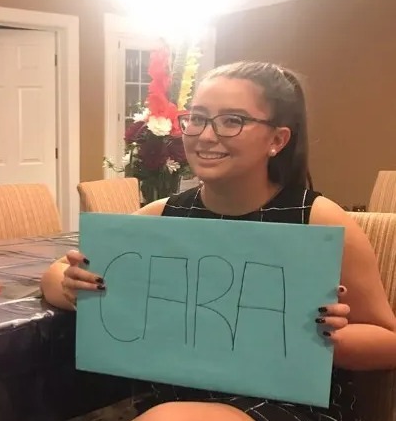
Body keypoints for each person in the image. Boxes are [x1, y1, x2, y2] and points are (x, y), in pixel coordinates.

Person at [41, 61, 396, 421]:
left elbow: (388, 340)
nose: (205, 135)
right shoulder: (166, 215)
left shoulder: (317, 220)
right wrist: (73, 286)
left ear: (277, 140)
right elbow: (56, 275)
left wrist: (327, 340)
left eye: (232, 120)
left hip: (289, 402)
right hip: (180, 393)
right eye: (197, 118)